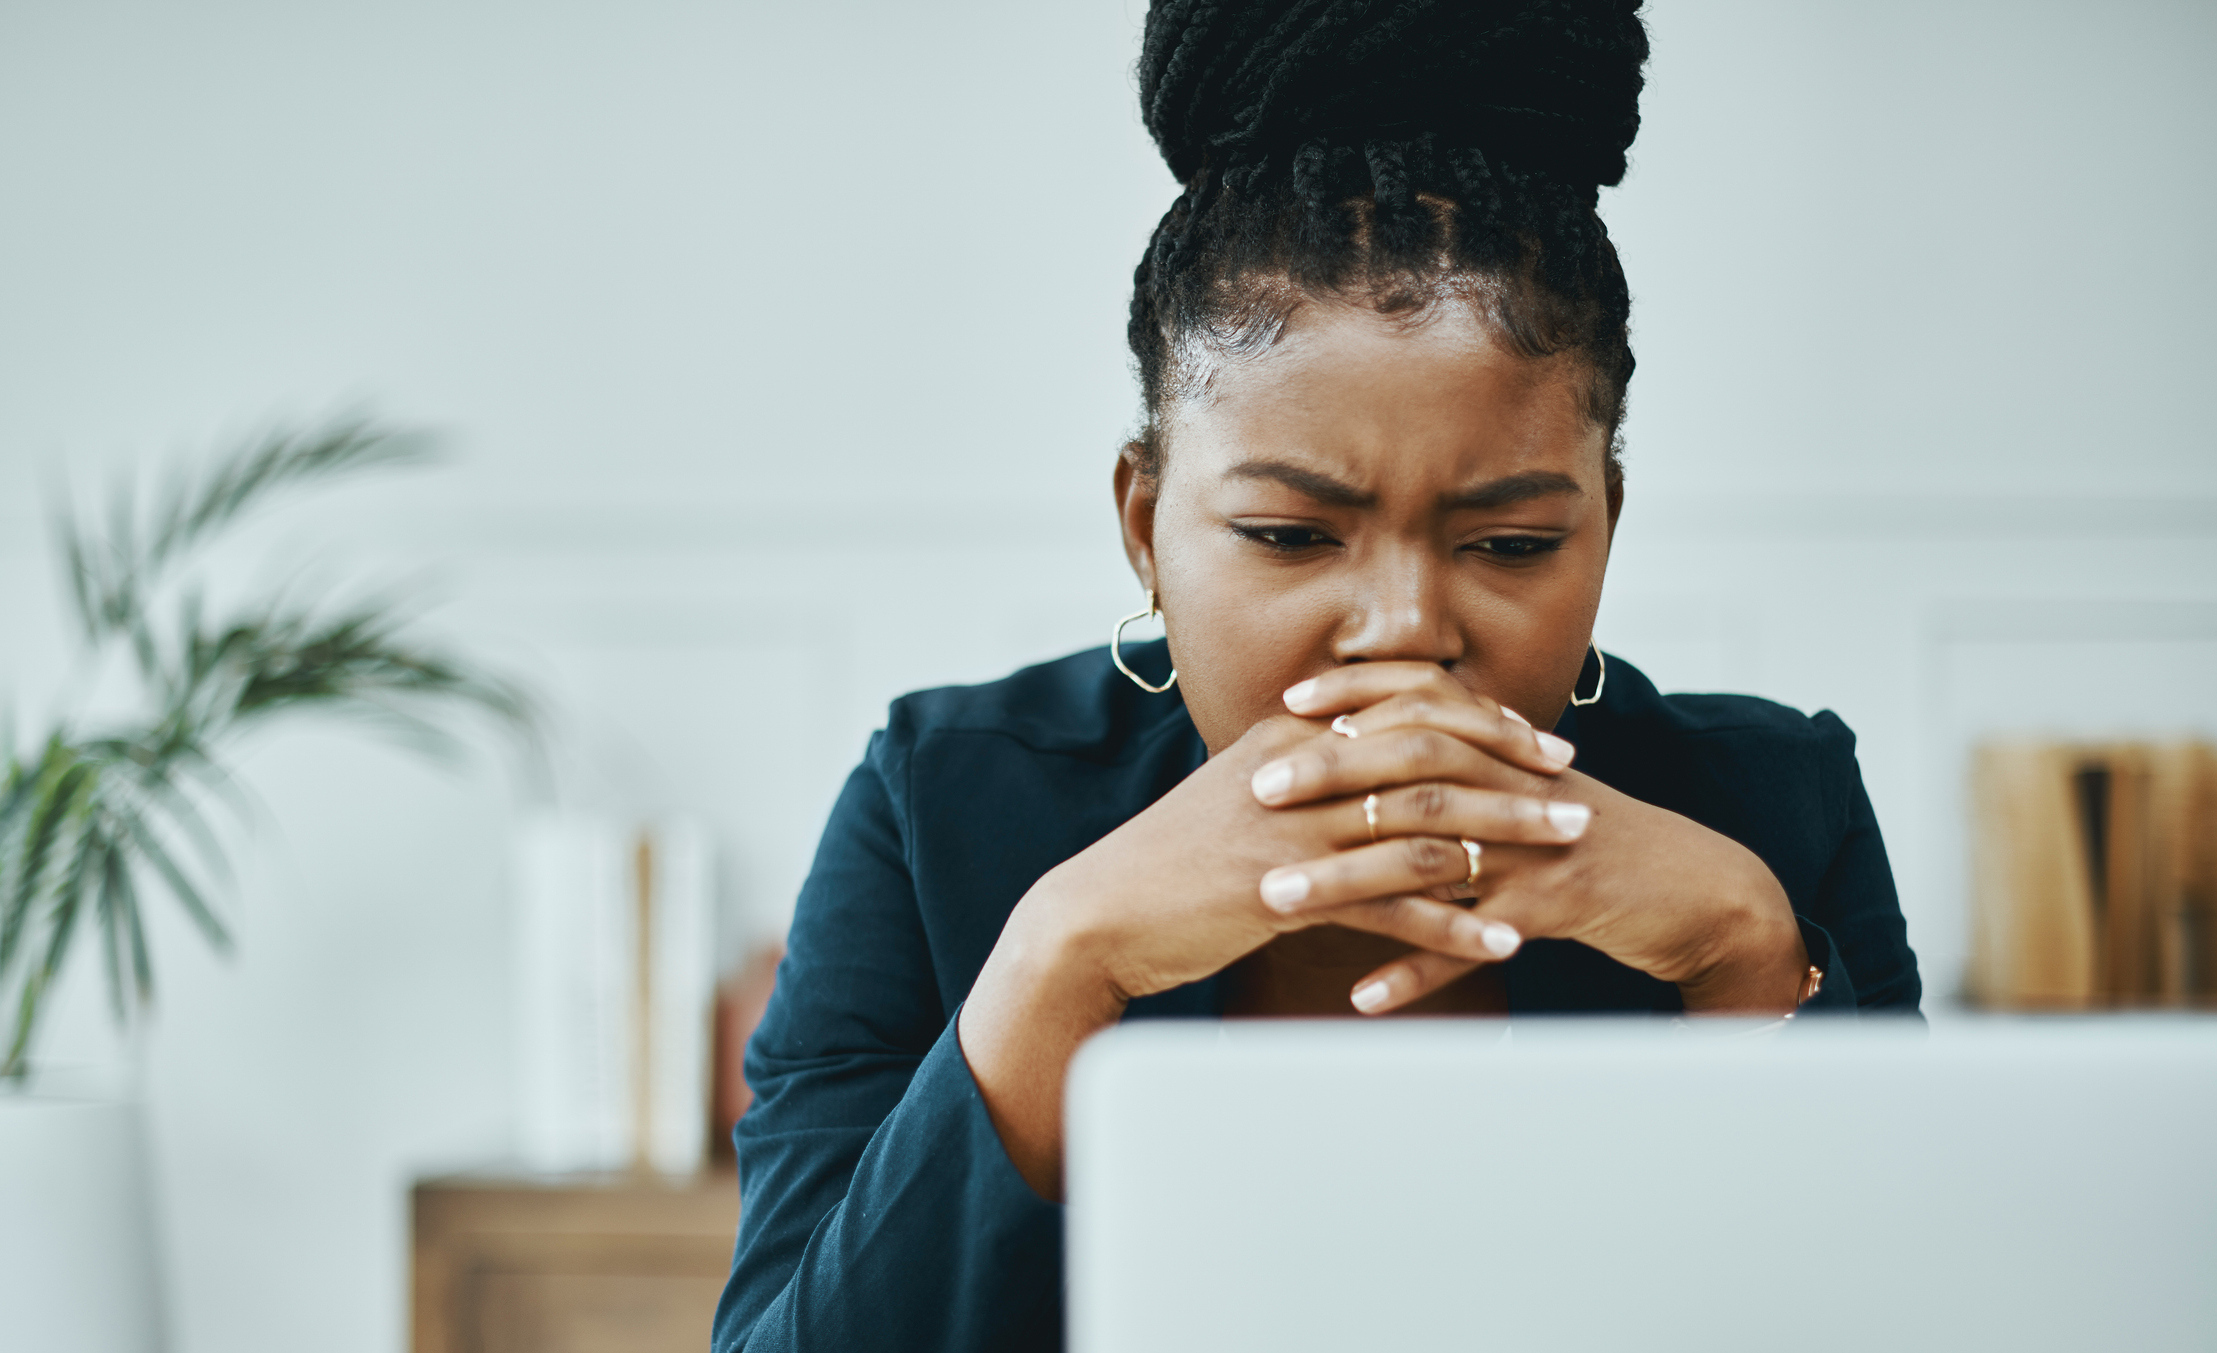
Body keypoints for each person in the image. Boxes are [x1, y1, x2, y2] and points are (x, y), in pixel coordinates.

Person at [712, 2, 1920, 1349]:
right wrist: (1061, 961)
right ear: (1144, 527)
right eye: (1289, 534)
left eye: (1510, 542)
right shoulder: (938, 806)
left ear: (1606, 527)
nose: (1402, 628)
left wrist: (1743, 959)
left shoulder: (1773, 807)